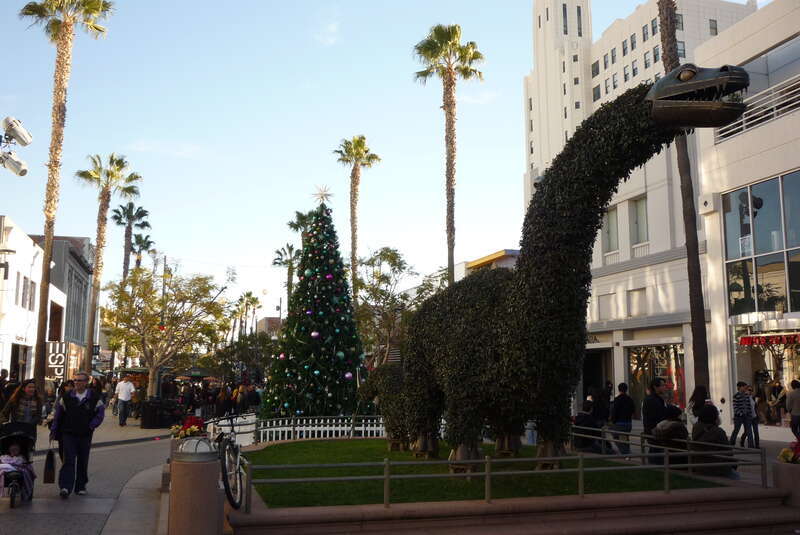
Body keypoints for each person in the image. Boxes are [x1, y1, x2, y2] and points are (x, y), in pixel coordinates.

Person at [50, 371, 105, 498]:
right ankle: (65, 487)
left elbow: (100, 414)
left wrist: (91, 426)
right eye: (75, 380)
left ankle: (80, 486)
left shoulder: (94, 397)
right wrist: (54, 429)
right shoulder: (67, 396)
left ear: (86, 382)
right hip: (68, 433)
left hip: (85, 434)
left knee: (82, 460)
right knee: (68, 460)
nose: (77, 383)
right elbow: (58, 415)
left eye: (80, 380)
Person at [690, 405, 739, 479]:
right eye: (717, 414)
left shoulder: (696, 428)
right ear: (714, 416)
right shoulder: (718, 432)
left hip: (699, 465)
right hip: (715, 467)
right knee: (736, 476)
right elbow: (728, 452)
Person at [642, 377, 668, 464]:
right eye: (662, 385)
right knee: (656, 451)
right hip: (654, 430)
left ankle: (653, 467)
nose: (665, 387)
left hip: (654, 430)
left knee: (655, 450)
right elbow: (659, 415)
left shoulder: (656, 399)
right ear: (655, 387)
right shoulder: (652, 400)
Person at [610, 382, 635, 455]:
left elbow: (614, 411)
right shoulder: (630, 399)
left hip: (619, 423)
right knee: (625, 438)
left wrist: (613, 421)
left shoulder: (617, 399)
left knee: (616, 436)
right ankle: (627, 451)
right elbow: (633, 410)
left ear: (619, 390)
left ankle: (626, 453)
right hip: (628, 423)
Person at [730, 381, 754, 448]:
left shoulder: (747, 395)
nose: (745, 388)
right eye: (744, 387)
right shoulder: (736, 396)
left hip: (747, 416)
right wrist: (740, 413)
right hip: (738, 417)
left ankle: (750, 445)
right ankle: (731, 443)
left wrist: (750, 414)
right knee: (736, 430)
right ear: (740, 387)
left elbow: (749, 405)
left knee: (748, 431)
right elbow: (735, 407)